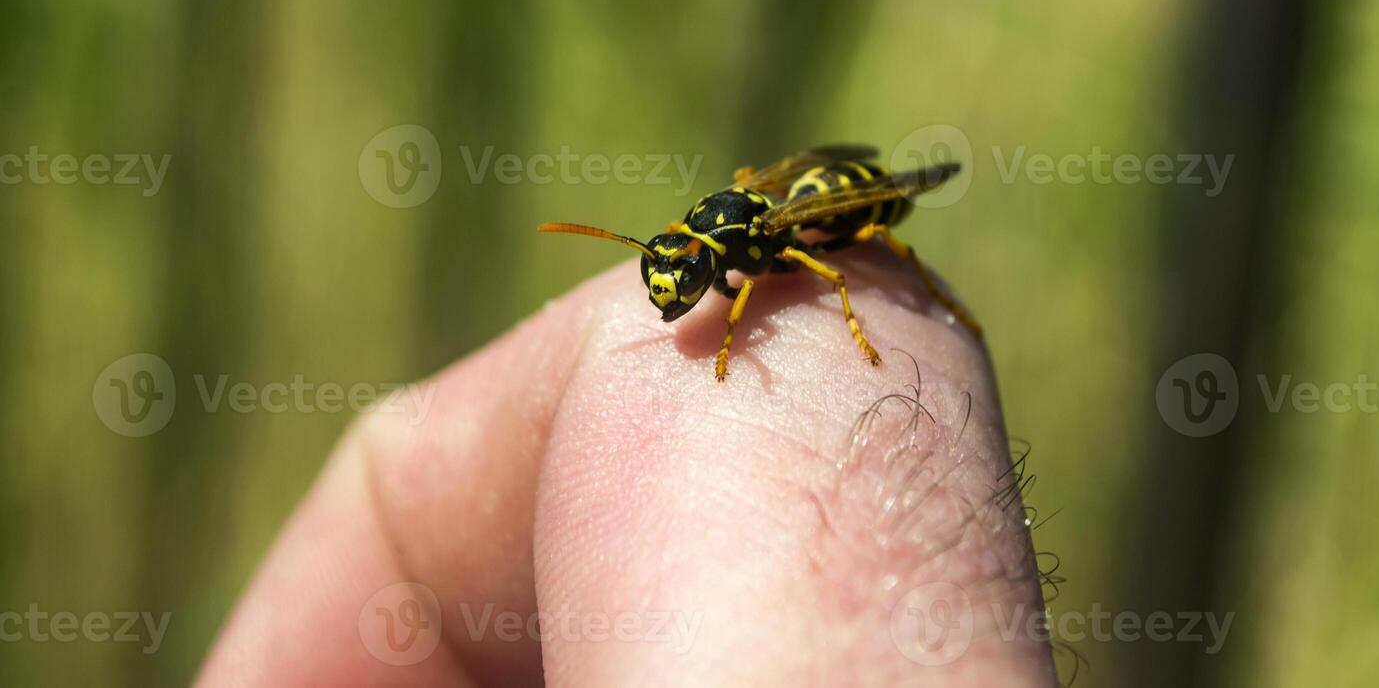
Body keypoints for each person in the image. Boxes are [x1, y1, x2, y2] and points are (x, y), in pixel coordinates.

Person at [197, 245, 1057, 686]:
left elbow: (805, 272)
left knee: (868, 248)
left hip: (845, 225)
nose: (674, 292)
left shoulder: (766, 263)